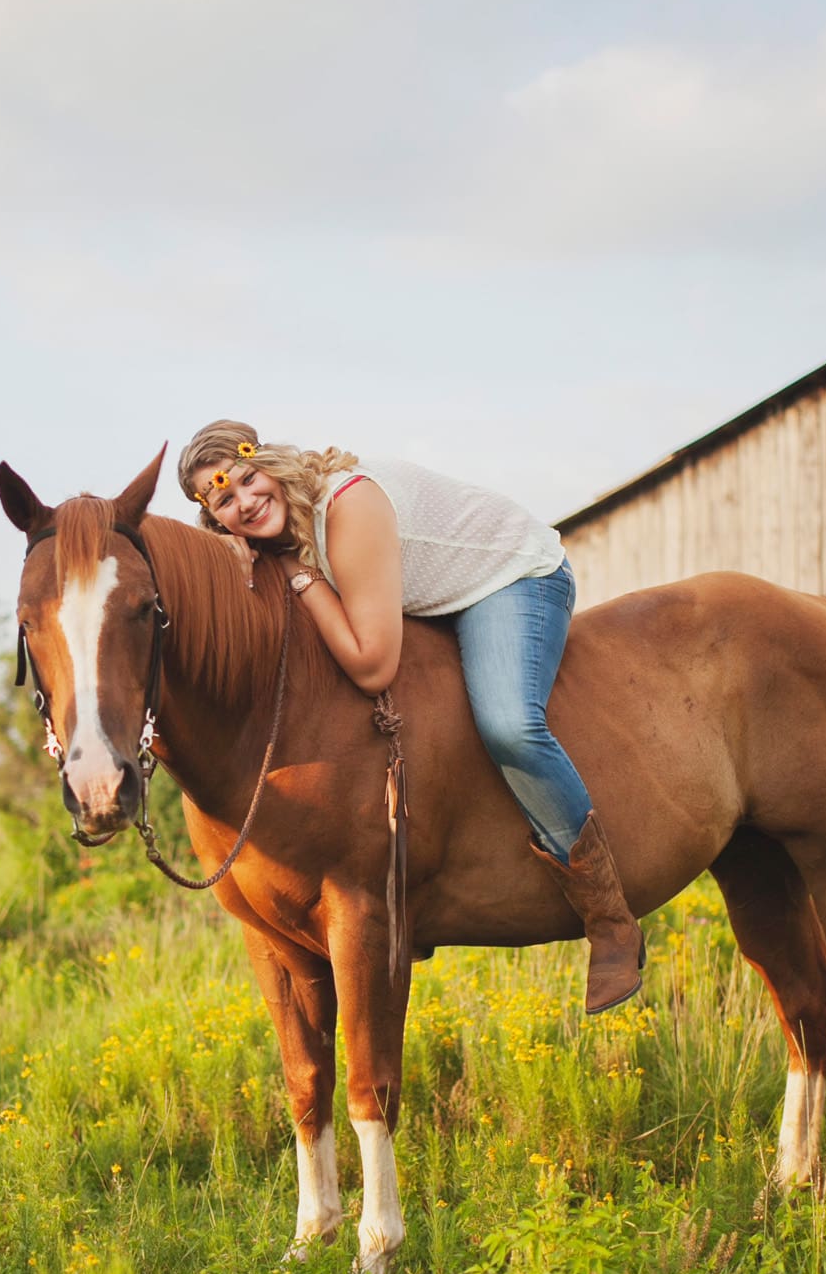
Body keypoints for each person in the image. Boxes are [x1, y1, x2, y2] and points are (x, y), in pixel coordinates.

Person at [175, 418, 642, 1013]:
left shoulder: (345, 505)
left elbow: (371, 667)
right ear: (213, 518)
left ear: (268, 465)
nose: (245, 499)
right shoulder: (274, 538)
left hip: (507, 577)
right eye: (224, 499)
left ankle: (610, 921)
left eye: (247, 477)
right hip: (429, 594)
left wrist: (300, 577)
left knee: (507, 723)